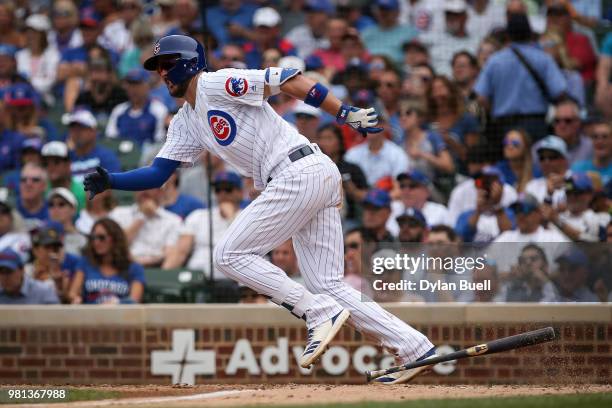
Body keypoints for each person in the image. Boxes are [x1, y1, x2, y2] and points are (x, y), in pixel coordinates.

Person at [84, 34, 435, 381]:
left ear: (190, 62)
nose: (161, 72)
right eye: (157, 67)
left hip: (296, 171)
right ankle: (414, 347)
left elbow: (286, 79)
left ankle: (316, 313)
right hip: (306, 175)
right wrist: (112, 180)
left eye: (167, 63)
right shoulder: (185, 120)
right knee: (327, 284)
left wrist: (343, 112)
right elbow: (158, 173)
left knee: (229, 255)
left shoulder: (215, 83)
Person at [474, 13, 567, 147]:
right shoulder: (543, 58)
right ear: (530, 34)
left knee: (511, 163)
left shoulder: (494, 61)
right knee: (536, 164)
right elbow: (559, 91)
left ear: (508, 35)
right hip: (536, 125)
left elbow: (481, 98)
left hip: (504, 126)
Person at [162, 171, 242, 278]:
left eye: (228, 189)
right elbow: (181, 251)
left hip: (234, 277)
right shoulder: (198, 216)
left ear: (240, 192)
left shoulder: (250, 215)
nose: (222, 194)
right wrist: (163, 276)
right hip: (198, 276)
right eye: (218, 190)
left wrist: (231, 218)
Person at [67, 218, 145, 304]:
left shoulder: (134, 268)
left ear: (115, 239)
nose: (96, 242)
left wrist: (117, 303)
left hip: (120, 315)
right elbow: (73, 293)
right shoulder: (85, 262)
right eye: (93, 238)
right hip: (90, 315)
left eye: (101, 237)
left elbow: (134, 299)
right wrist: (75, 298)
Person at [110, 188, 181, 267]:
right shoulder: (118, 213)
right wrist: (142, 217)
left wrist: (151, 261)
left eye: (149, 187)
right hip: (124, 266)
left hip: (157, 268)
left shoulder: (173, 220)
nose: (144, 191)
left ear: (160, 191)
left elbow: (170, 252)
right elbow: (114, 245)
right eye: (141, 186)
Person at [315, 124, 368, 226]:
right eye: (321, 138)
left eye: (329, 138)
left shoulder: (352, 169)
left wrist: (351, 189)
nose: (323, 143)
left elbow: (366, 196)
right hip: (319, 219)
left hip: (349, 219)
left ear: (340, 142)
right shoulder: (314, 168)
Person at [421, 0, 480, 77]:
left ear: (465, 17)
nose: (451, 18)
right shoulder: (433, 37)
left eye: (455, 15)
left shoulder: (476, 42)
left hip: (463, 84)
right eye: (448, 14)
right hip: (437, 84)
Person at [541, 173, 607, 242]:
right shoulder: (560, 214)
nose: (572, 197)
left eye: (577, 193)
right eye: (568, 192)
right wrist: (549, 195)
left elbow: (584, 240)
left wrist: (557, 220)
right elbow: (542, 223)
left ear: (590, 194)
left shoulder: (597, 218)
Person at [399, 97, 454, 180]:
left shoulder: (432, 137)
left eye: (408, 113)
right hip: (407, 188)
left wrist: (422, 154)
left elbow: (449, 166)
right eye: (400, 114)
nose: (403, 118)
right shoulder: (399, 143)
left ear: (419, 117)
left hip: (432, 186)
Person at [455, 167, 515, 243]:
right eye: (480, 183)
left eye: (489, 183)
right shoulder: (465, 216)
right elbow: (461, 239)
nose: (485, 187)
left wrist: (497, 205)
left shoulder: (510, 214)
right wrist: (478, 211)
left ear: (502, 187)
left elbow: (510, 238)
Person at [344, 122, 410, 188]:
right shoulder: (352, 154)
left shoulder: (397, 154)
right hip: (357, 196)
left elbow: (399, 188)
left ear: (385, 126)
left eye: (372, 122)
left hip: (388, 196)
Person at [388, 170, 450, 237]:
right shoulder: (391, 207)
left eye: (412, 186)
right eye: (402, 186)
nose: (406, 191)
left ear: (426, 191)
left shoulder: (440, 211)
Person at [15, 14, 60, 106]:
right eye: (28, 32)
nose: (31, 36)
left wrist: (28, 81)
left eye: (35, 32)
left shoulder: (54, 55)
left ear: (44, 35)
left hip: (45, 102)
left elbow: (48, 84)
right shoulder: (19, 55)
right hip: (21, 99)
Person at [65, 109, 121, 182]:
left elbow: (112, 187)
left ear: (93, 131)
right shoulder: (65, 158)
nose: (76, 133)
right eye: (73, 129)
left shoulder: (106, 156)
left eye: (81, 128)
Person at [361, 0, 419, 66]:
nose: (383, 13)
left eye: (388, 10)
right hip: (370, 70)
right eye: (381, 9)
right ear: (375, 11)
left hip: (398, 70)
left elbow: (415, 57)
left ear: (398, 12)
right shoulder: (366, 33)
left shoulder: (409, 33)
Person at [525, 135, 570, 206]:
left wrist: (566, 183)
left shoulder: (575, 178)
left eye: (552, 157)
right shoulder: (532, 186)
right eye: (542, 158)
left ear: (564, 160)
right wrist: (549, 194)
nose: (546, 162)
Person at [42, 141, 86, 212]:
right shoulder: (41, 190)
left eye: (56, 162)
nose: (51, 167)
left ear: (68, 164)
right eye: (46, 163)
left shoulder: (82, 193)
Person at [550, 98, 593, 165]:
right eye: (557, 121)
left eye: (568, 121)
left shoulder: (591, 148)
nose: (562, 125)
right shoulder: (539, 149)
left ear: (578, 122)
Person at [494, 129, 538, 193]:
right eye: (506, 142)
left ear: (526, 147)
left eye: (515, 143)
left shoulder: (536, 170)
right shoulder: (497, 170)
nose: (510, 146)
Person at [47, 188, 87, 255]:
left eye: (61, 204)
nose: (55, 208)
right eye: (51, 204)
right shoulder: (40, 234)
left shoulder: (83, 239)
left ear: (73, 209)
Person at [572, 120, 612, 184]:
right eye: (595, 137)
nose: (599, 141)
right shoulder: (578, 168)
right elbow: (568, 188)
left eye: (605, 137)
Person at [16, 163, 49, 230]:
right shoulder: (9, 208)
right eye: (23, 180)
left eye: (35, 180)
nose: (28, 184)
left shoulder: (54, 209)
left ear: (44, 185)